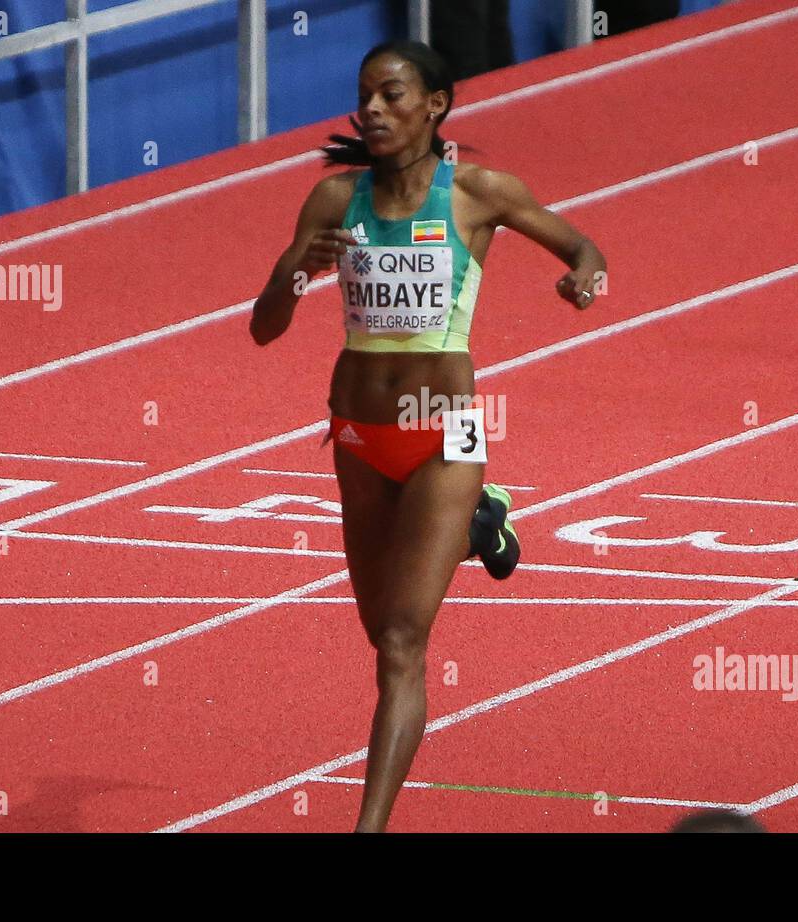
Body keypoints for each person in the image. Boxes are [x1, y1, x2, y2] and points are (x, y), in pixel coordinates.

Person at [250, 40, 605, 832]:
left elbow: (583, 245)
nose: (372, 109)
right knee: (380, 632)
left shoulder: (479, 192)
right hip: (357, 435)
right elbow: (263, 330)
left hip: (443, 432)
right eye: (364, 96)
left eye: (391, 94)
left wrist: (585, 279)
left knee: (405, 644)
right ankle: (481, 526)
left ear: (436, 104)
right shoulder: (334, 199)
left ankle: (367, 829)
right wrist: (290, 273)